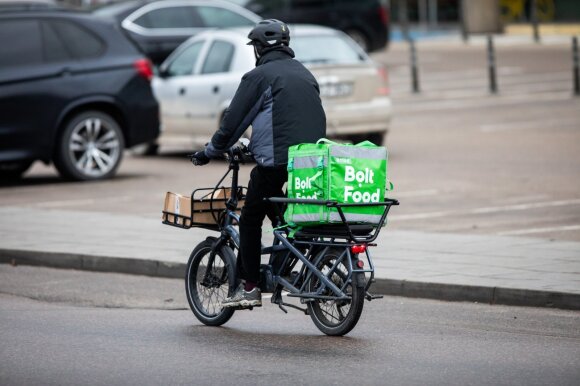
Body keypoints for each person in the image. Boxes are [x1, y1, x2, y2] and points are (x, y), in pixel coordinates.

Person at [190, 19, 326, 309]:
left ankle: (250, 287)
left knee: (251, 218)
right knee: (284, 219)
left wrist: (209, 151)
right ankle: (284, 270)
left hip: (276, 162)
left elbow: (233, 123)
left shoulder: (259, 77)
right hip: (312, 162)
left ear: (259, 49)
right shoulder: (305, 73)